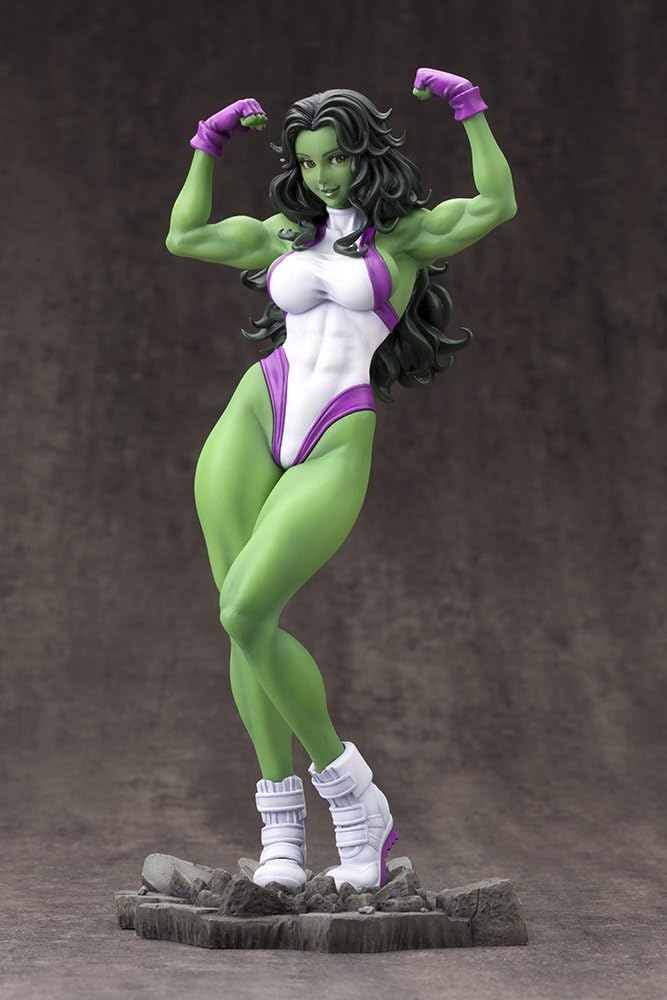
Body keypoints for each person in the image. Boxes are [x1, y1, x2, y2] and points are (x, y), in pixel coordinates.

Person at [165, 68, 517, 893]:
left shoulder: (408, 238)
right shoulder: (282, 234)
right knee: (242, 625)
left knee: (245, 608)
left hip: (336, 429)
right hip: (257, 410)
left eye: (337, 157)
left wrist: (469, 108)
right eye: (309, 160)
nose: (323, 174)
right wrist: (206, 144)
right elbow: (185, 236)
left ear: (365, 155)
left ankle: (354, 796)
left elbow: (495, 203)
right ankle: (280, 827)